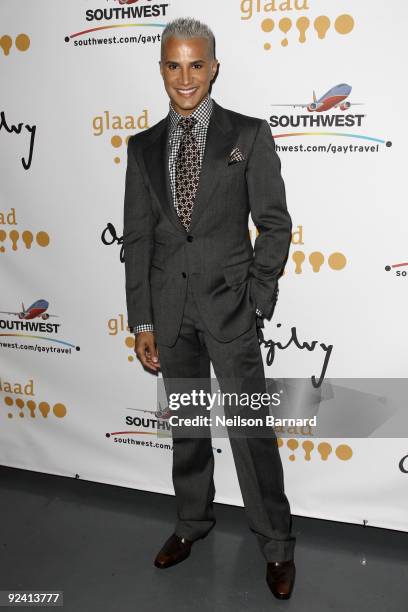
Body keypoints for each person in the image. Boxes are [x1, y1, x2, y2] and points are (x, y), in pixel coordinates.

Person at [123, 17, 296, 600]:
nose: (186, 77)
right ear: (162, 69)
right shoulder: (143, 147)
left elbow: (273, 225)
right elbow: (140, 238)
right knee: (189, 431)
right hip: (171, 314)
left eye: (197, 64)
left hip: (230, 311)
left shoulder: (248, 135)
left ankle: (276, 544)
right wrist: (142, 319)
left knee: (251, 433)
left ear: (214, 67)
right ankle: (192, 523)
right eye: (174, 65)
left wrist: (257, 298)